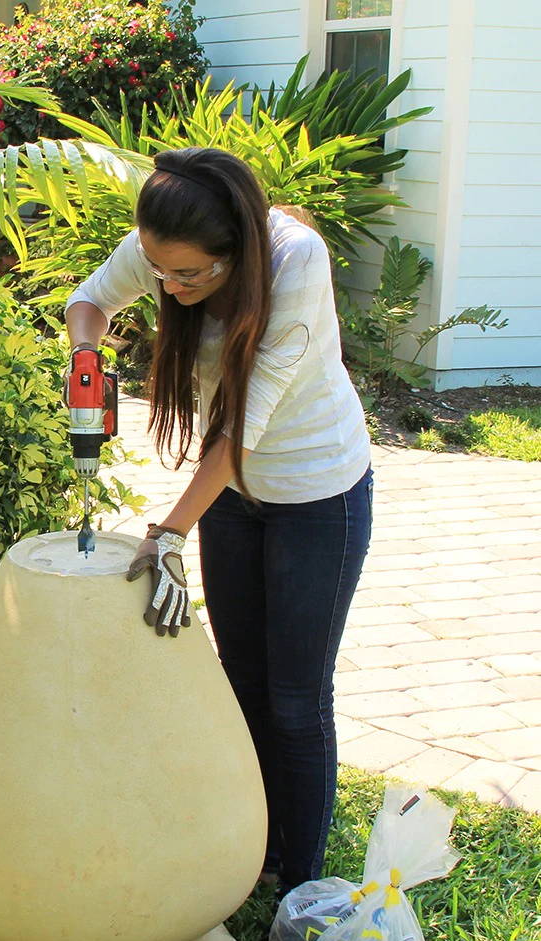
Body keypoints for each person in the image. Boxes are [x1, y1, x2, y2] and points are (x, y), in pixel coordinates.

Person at [63, 147, 373, 895]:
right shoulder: (166, 245)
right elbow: (90, 300)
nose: (171, 287)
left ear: (236, 246)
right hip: (232, 499)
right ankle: (251, 846)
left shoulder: (296, 261)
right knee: (241, 682)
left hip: (317, 496)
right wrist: (85, 355)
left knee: (297, 699)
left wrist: (167, 532)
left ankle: (299, 881)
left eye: (191, 276)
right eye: (160, 271)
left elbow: (244, 430)